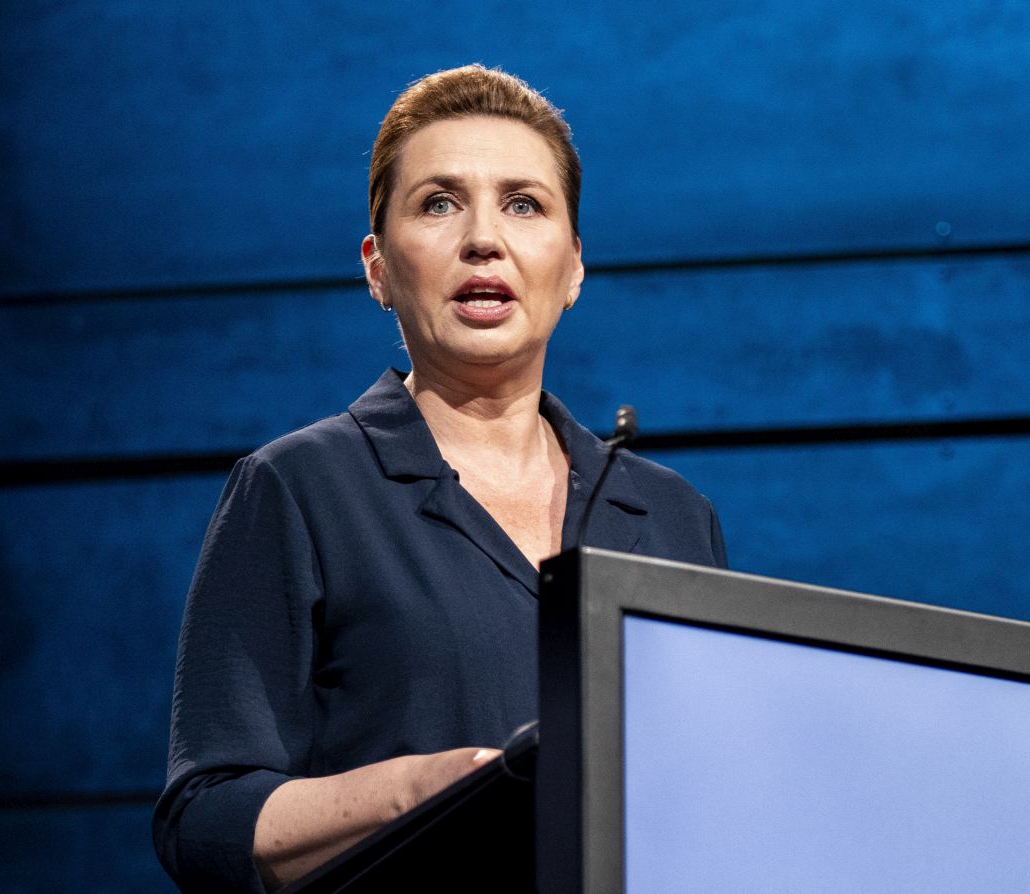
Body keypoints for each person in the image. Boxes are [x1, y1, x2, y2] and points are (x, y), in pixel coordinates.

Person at [152, 64, 727, 893]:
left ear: (573, 267)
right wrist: (417, 794)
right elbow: (202, 818)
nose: (484, 238)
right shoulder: (299, 488)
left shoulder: (673, 516)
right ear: (378, 266)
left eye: (524, 204)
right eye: (438, 203)